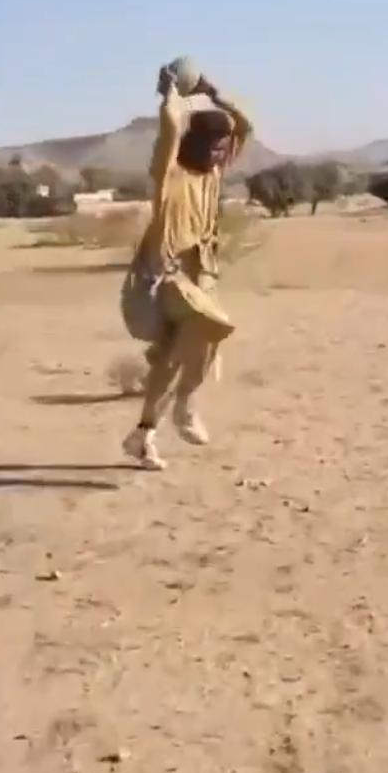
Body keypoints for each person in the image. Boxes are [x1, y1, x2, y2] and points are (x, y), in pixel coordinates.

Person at [123, 65, 252, 470]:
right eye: (215, 148)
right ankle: (186, 405)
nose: (220, 156)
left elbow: (245, 125)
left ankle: (143, 434)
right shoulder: (170, 173)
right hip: (165, 278)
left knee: (179, 357)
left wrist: (214, 92)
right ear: (195, 143)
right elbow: (169, 132)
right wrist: (170, 99)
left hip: (200, 276)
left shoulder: (213, 173)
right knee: (212, 323)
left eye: (224, 149)